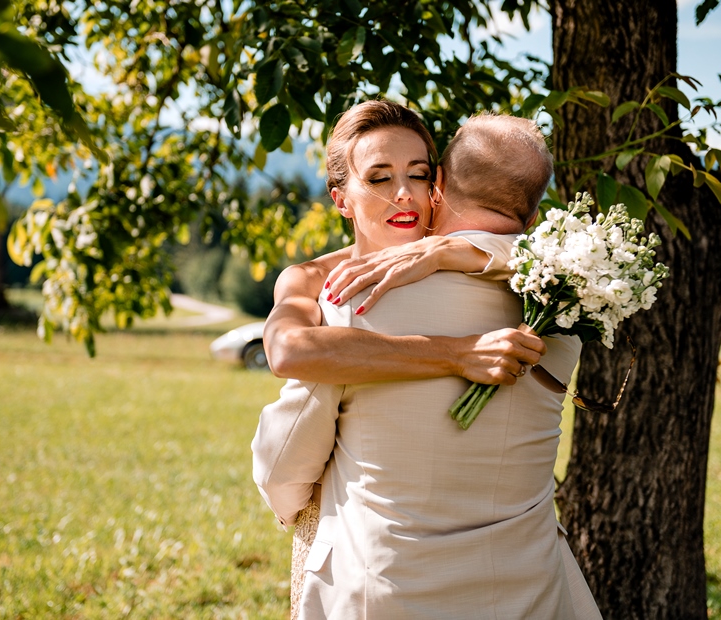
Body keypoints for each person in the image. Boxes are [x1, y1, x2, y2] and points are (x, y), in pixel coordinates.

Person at [253, 104, 600, 618]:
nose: (403, 194)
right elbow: (286, 350)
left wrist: (454, 252)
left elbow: (284, 465)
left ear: (437, 182)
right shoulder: (322, 285)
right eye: (378, 178)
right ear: (341, 199)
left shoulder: (539, 277)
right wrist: (456, 353)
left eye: (417, 175)